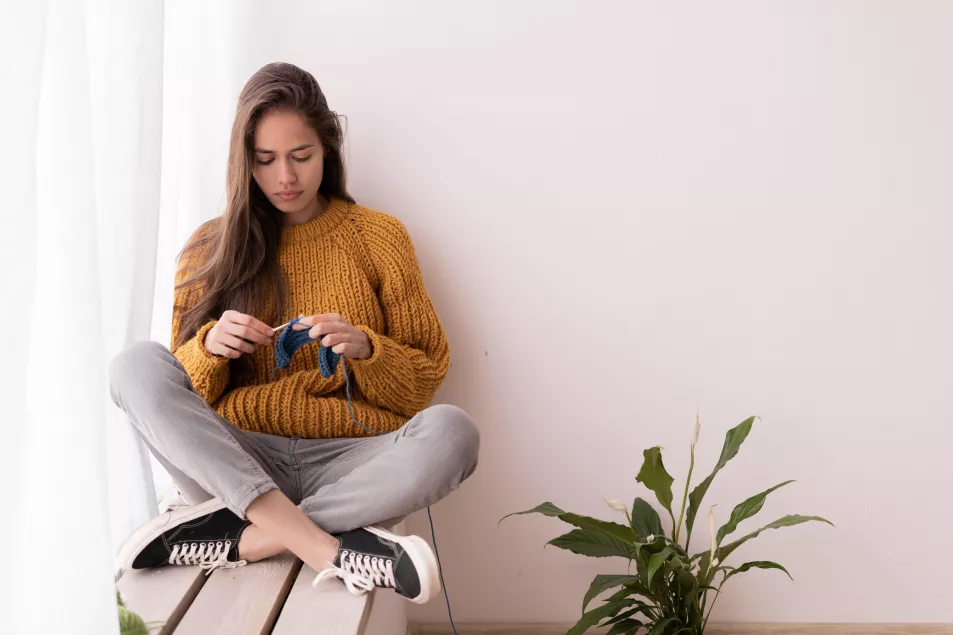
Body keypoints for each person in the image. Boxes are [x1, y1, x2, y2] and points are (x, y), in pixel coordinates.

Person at [109, 62, 480, 605]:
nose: (285, 177)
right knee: (133, 365)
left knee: (455, 433)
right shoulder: (207, 249)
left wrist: (368, 350)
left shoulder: (379, 237)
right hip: (240, 463)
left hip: (352, 464)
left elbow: (425, 380)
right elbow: (177, 400)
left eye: (300, 156)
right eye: (265, 160)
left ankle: (247, 540)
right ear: (245, 163)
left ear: (327, 149)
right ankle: (328, 544)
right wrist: (210, 349)